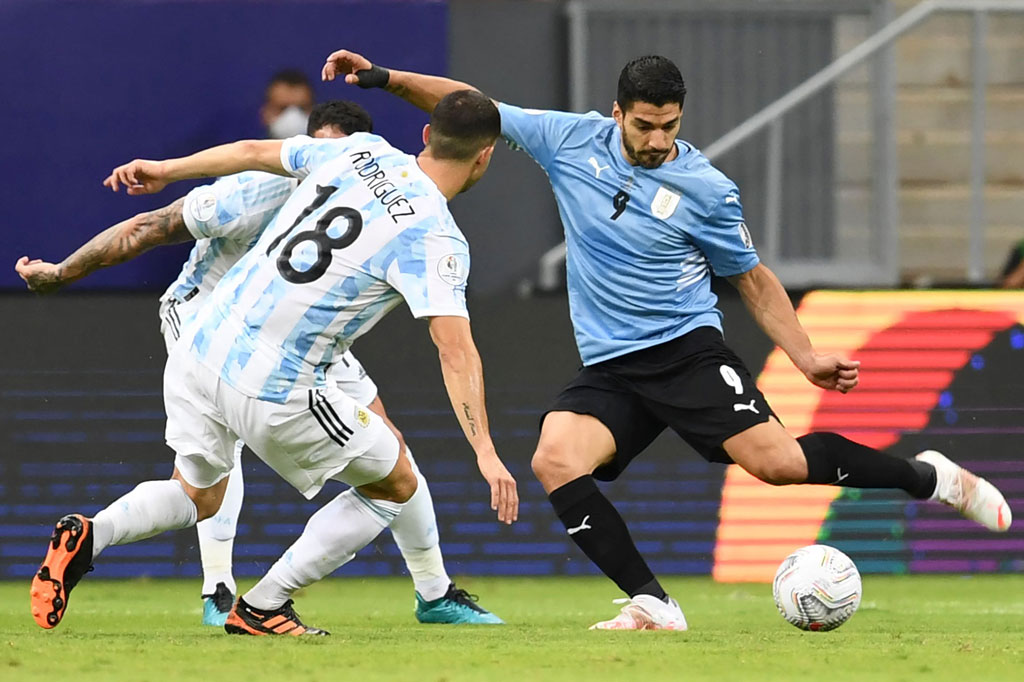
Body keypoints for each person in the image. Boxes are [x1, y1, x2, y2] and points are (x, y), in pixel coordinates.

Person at [322, 49, 1014, 630]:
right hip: (612, 366)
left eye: (670, 127)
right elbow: (471, 109)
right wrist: (383, 79)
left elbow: (753, 280)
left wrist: (804, 357)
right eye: (646, 126)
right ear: (618, 112)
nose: (658, 140)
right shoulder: (568, 139)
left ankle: (932, 477)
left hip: (686, 351)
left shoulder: (706, 188)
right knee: (556, 460)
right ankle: (652, 601)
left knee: (775, 465)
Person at [27, 89, 517, 636]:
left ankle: (89, 534)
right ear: (484, 157)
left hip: (200, 346)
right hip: (273, 378)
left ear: (425, 135)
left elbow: (249, 148)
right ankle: (263, 605)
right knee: (395, 481)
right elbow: (456, 350)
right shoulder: (436, 237)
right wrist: (486, 451)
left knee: (199, 494)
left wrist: (167, 169)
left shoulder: (360, 151)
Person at [262, 69, 316, 139]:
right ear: (265, 113)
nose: (292, 117)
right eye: (282, 108)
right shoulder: (246, 149)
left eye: (302, 108)